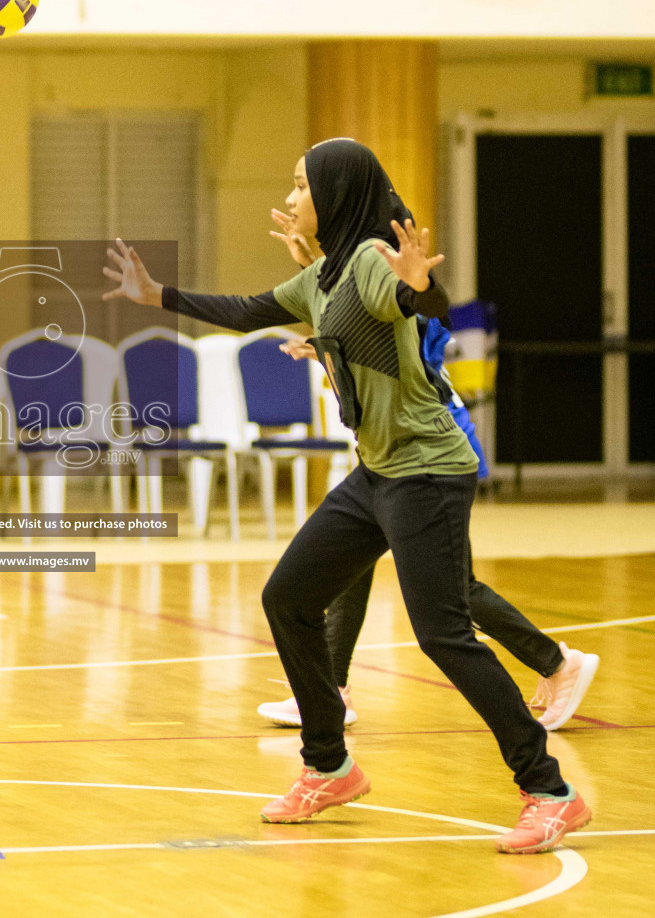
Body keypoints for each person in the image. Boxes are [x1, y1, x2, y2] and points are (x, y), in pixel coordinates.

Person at [103, 137, 591, 854]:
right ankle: (328, 764)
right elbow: (246, 309)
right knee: (289, 599)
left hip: (426, 471)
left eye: (301, 186)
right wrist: (160, 296)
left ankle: (549, 792)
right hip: (377, 472)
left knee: (443, 636)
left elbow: (407, 300)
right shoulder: (322, 276)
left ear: (333, 196)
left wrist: (421, 286)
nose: (291, 198)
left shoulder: (365, 262)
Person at [254, 231, 600, 732]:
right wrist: (313, 274)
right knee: (350, 567)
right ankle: (331, 685)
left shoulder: (398, 294)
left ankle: (557, 663)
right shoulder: (369, 288)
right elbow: (347, 326)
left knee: (455, 588)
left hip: (431, 454)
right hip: (392, 454)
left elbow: (374, 336)